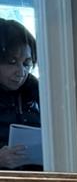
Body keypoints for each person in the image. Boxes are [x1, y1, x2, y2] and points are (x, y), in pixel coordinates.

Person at [0, 19, 41, 170]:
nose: (21, 72)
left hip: (38, 178)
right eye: (12, 61)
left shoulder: (39, 92)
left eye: (26, 63)